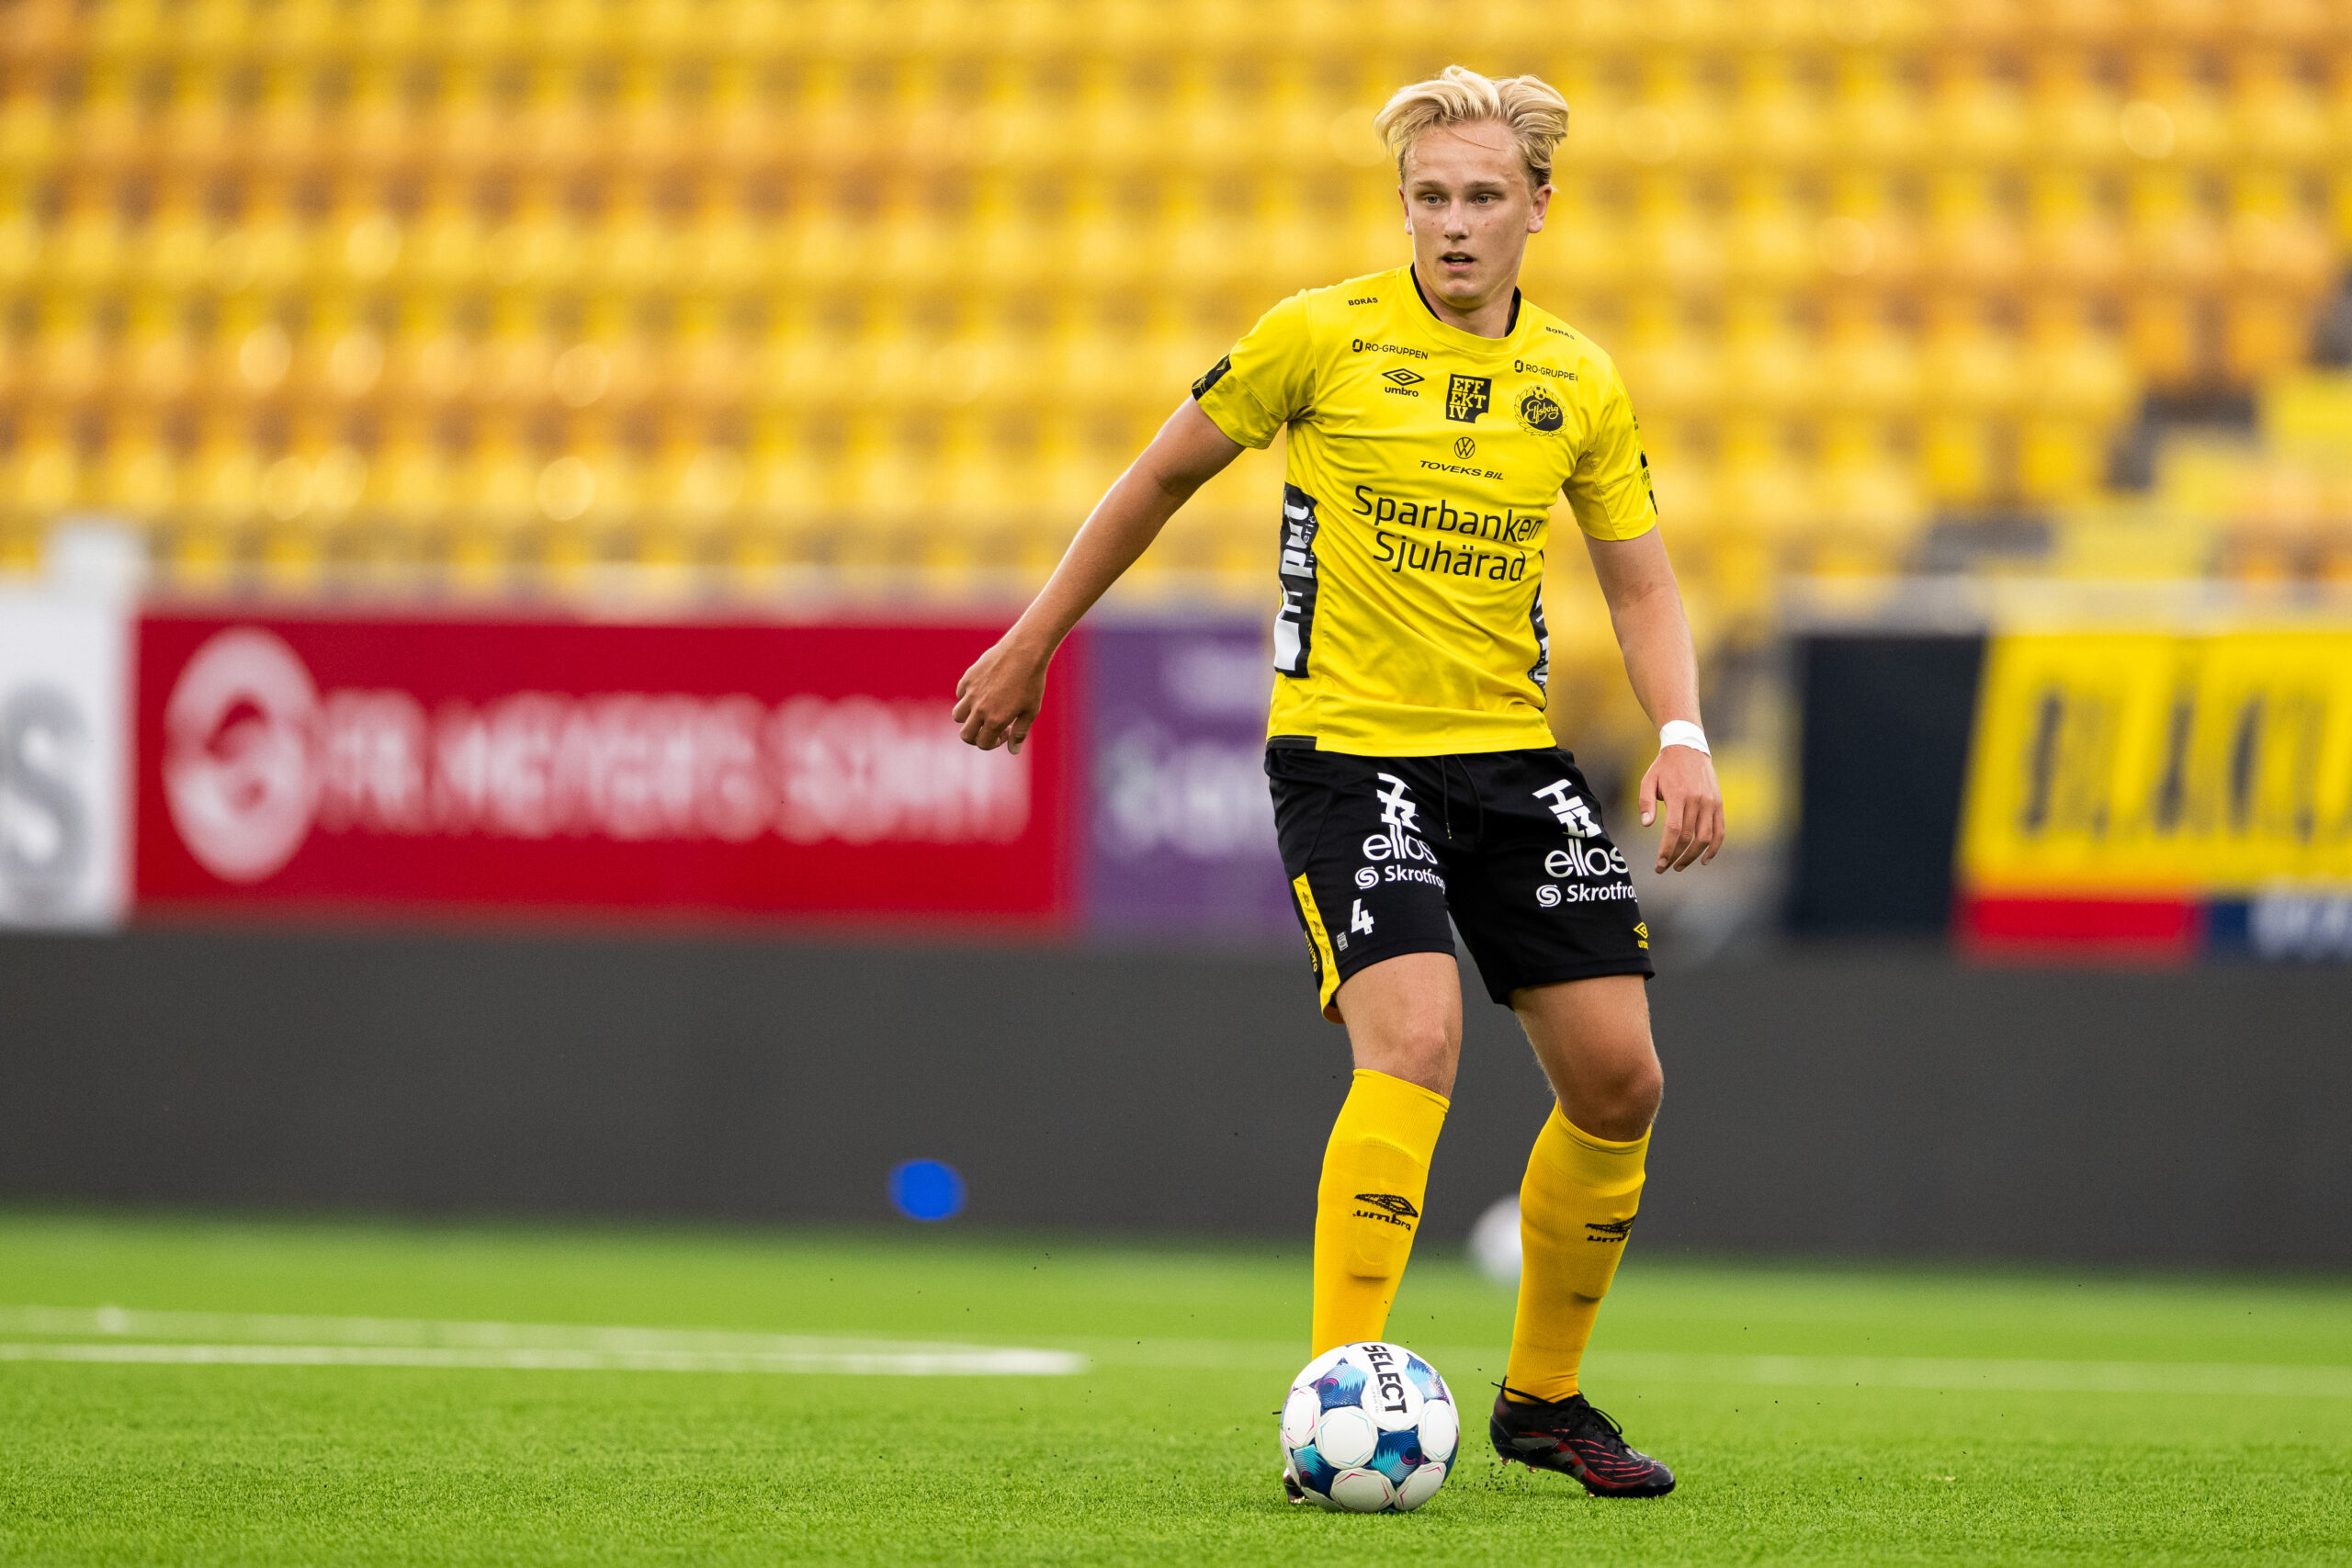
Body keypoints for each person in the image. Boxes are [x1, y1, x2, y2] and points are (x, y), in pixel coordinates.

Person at [952, 65, 1724, 1501]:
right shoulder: (1318, 335)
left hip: (1510, 759)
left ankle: (1543, 1400)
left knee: (1622, 1083)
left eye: (1482, 196)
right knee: (1414, 1040)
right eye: (1429, 197)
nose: (1453, 223)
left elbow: (1641, 581)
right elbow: (1156, 479)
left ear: (1539, 208)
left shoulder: (1577, 379)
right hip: (1350, 755)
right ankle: (1335, 1396)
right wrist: (1033, 639)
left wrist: (1681, 731)